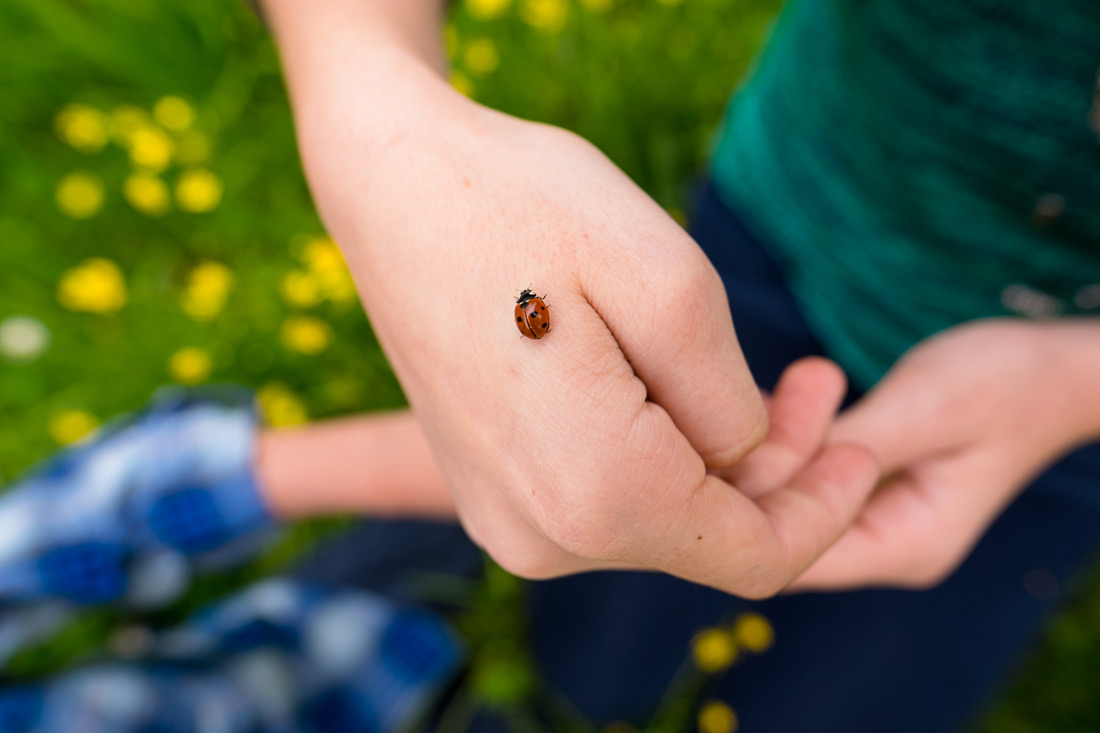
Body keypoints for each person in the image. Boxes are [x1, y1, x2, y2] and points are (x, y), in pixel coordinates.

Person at [253, 0, 1100, 730]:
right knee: (599, 621)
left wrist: (1071, 387)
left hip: (1064, 430)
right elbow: (527, 312)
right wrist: (374, 119)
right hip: (796, 215)